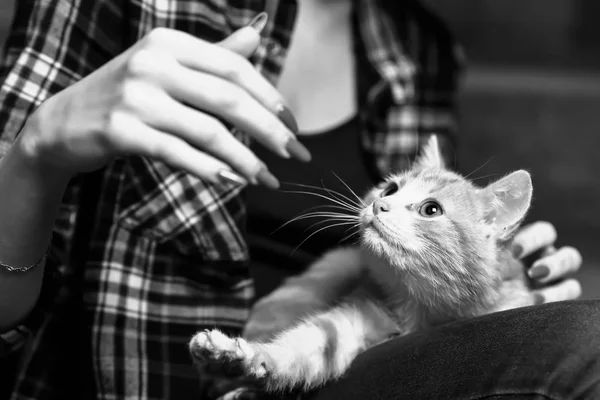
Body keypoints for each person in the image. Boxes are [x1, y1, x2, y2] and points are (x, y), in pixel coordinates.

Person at [0, 0, 596, 399]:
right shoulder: (136, 7)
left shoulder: (418, 47)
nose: (387, 200)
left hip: (357, 364)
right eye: (388, 191)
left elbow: (436, 231)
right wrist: (38, 151)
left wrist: (506, 291)